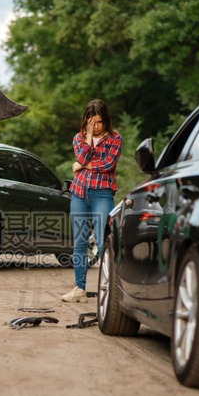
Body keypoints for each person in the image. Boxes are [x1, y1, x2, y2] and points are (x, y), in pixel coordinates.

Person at [62, 99, 122, 302]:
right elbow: (81, 157)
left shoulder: (115, 139)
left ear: (106, 121)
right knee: (79, 242)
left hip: (102, 194)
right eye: (91, 123)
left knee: (103, 240)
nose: (95, 127)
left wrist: (83, 166)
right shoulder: (79, 138)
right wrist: (87, 138)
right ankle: (79, 289)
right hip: (79, 193)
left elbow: (107, 164)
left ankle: (109, 289)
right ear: (86, 121)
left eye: (99, 123)